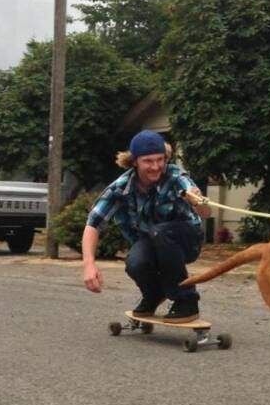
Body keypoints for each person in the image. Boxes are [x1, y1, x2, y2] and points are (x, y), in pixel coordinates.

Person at [82, 130, 211, 322]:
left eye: (160, 159)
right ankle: (154, 294)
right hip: (154, 240)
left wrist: (199, 201)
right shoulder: (121, 187)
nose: (156, 166)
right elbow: (93, 224)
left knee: (159, 232)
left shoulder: (176, 176)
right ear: (134, 162)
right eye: (148, 161)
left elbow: (206, 213)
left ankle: (186, 300)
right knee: (135, 262)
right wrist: (89, 265)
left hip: (186, 241)